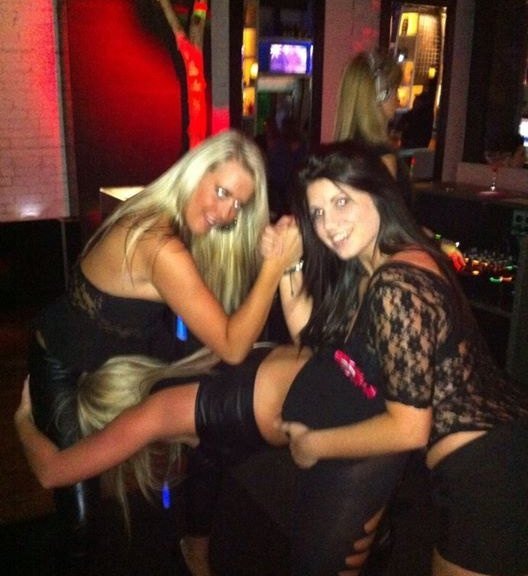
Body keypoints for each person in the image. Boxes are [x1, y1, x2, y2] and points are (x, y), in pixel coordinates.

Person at [16, 143, 528, 575]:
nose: (329, 224)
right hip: (472, 459)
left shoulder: (394, 281)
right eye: (319, 212)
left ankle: (201, 547)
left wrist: (313, 445)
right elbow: (314, 345)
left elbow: (408, 426)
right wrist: (285, 267)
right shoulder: (397, 264)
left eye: (341, 202)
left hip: (481, 467)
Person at [26, 128, 302, 574]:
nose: (225, 213)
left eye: (238, 204)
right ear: (196, 172)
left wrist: (271, 243)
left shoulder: (175, 216)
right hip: (64, 359)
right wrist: (273, 269)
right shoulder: (158, 244)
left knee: (213, 419)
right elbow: (233, 346)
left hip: (129, 351)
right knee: (79, 519)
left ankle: (195, 542)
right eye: (221, 192)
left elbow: (236, 275)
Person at [333, 49, 465, 271]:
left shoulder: (340, 154)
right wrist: (438, 243)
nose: (398, 99)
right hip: (379, 266)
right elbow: (391, 227)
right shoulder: (382, 157)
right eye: (395, 90)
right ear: (381, 95)